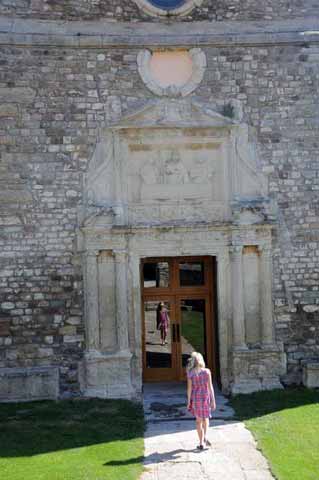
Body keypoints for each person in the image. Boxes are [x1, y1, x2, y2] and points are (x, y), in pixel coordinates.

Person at [187, 351, 216, 450]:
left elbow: (189, 389)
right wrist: (213, 400)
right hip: (205, 397)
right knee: (206, 418)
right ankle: (206, 436)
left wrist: (188, 402)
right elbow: (210, 387)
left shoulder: (191, 374)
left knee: (198, 421)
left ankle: (201, 442)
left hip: (196, 398)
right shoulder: (207, 371)